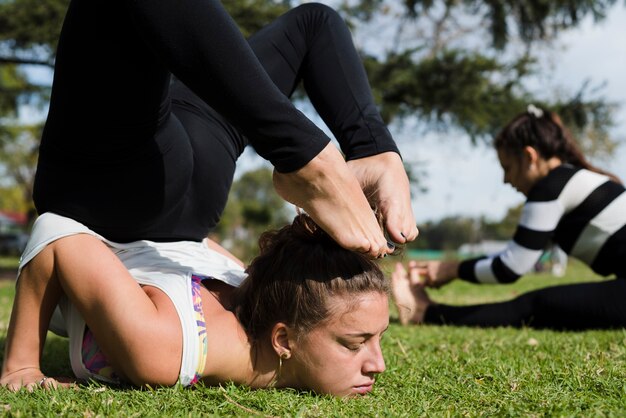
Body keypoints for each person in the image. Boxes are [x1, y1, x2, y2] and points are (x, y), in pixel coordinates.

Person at [33, 1, 417, 258]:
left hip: (133, 175)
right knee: (315, 22)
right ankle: (334, 154)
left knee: (315, 22)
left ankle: (337, 152)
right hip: (152, 169)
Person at [1, 212, 389, 396]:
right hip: (92, 246)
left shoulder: (264, 287)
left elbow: (194, 241)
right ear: (283, 340)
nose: (379, 365)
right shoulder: (164, 348)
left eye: (379, 339)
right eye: (354, 343)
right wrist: (22, 366)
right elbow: (55, 232)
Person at [391, 105, 626, 330]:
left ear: (529, 156)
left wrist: (452, 269)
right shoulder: (568, 180)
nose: (506, 180)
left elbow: (511, 267)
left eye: (508, 168)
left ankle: (425, 313)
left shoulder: (551, 186)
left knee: (534, 306)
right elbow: (516, 254)